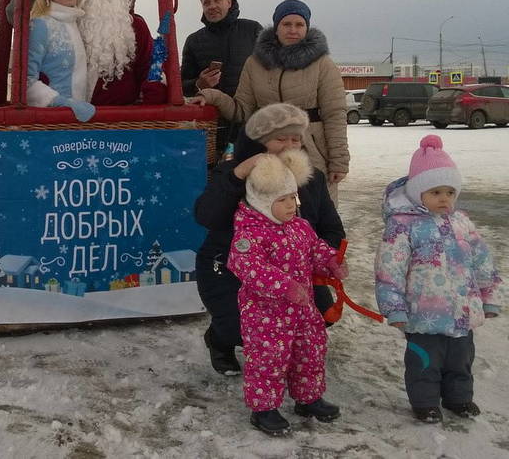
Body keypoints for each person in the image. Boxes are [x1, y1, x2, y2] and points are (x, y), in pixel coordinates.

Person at [194, 104, 345, 377]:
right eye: (279, 138)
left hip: (292, 270)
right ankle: (219, 339)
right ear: (257, 143)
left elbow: (331, 228)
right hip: (232, 266)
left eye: (295, 138)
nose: (289, 145)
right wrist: (237, 175)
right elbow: (206, 216)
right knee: (242, 326)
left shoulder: (312, 179)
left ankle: (286, 349)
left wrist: (325, 259)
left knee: (320, 313)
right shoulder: (232, 172)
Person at [375, 135, 502, 423]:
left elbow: (482, 261)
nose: (444, 199)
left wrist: (489, 296)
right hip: (423, 316)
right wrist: (394, 308)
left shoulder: (461, 223)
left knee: (461, 360)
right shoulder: (402, 227)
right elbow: (389, 270)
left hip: (462, 313)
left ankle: (459, 399)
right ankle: (425, 403)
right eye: (435, 192)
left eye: (449, 192)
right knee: (425, 363)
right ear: (418, 193)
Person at [227, 148, 347, 435]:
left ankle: (308, 398)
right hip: (266, 315)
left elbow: (314, 249)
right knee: (268, 360)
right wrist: (285, 285)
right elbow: (245, 265)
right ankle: (264, 408)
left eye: (293, 197)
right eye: (282, 200)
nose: (292, 205)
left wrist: (330, 261)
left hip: (303, 309)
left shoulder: (300, 227)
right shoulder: (250, 233)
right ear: (262, 201)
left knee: (310, 351)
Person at [198, 0, 349, 201]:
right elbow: (241, 110)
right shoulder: (255, 63)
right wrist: (211, 95)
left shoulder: (322, 64)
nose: (293, 30)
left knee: (314, 215)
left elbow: (335, 115)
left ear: (307, 28)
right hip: (265, 153)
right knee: (268, 215)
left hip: (310, 153)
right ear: (276, 27)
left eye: (299, 24)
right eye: (287, 24)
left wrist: (339, 161)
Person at [78, 0, 166, 105]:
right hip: (75, 115)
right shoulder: (74, 23)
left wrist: (152, 102)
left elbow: (151, 66)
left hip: (123, 116)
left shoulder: (136, 25)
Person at [181, 0, 262, 147]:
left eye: (217, 0)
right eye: (206, 3)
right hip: (211, 125)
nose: (212, 6)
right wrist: (198, 83)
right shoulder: (194, 41)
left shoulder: (252, 29)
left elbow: (272, 71)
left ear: (229, 2)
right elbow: (181, 85)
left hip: (252, 122)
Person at [27, 0, 95, 122]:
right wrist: (62, 103)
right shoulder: (40, 25)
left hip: (79, 122)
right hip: (52, 122)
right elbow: (26, 81)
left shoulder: (77, 21)